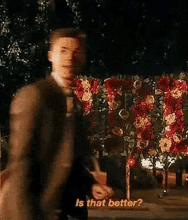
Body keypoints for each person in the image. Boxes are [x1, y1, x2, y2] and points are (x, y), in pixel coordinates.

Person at [0, 28, 112, 220]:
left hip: (63, 211)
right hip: (31, 212)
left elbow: (70, 160)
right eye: (63, 50)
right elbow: (22, 167)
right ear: (50, 55)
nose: (70, 57)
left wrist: (90, 185)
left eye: (76, 52)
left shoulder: (73, 103)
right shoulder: (34, 96)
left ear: (83, 58)